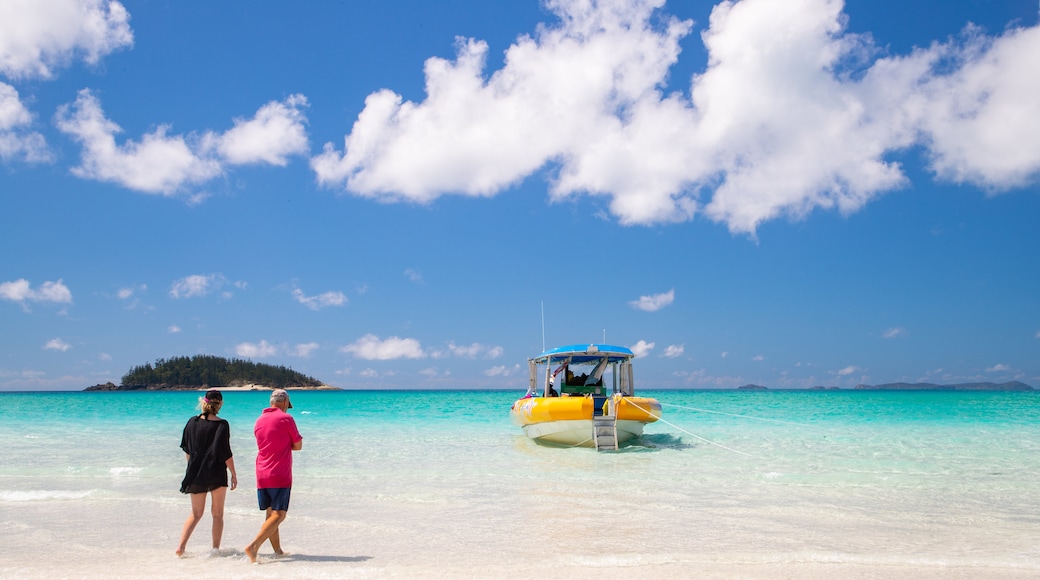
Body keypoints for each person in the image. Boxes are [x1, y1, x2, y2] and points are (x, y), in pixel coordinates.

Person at [176, 389, 237, 557]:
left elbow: (187, 450)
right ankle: (215, 550)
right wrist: (233, 473)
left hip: (195, 472)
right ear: (220, 404)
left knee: (196, 514)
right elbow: (225, 452)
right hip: (216, 472)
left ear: (203, 402)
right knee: (217, 514)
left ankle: (181, 548)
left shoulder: (191, 422)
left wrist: (192, 468)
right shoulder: (222, 424)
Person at [244, 389, 303, 563]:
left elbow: (266, 444)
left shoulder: (259, 420)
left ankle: (278, 551)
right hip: (279, 473)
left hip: (261, 473)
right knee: (280, 514)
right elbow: (298, 445)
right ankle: (253, 547)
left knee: (270, 515)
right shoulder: (286, 419)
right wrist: (286, 446)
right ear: (285, 403)